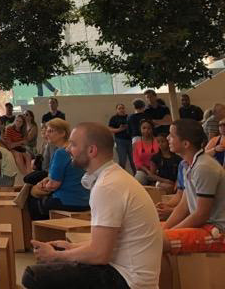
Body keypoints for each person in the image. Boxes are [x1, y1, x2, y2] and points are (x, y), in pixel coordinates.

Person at [23, 122, 163, 289]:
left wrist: (56, 256)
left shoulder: (107, 186)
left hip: (129, 280)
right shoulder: (112, 176)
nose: (68, 149)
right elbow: (105, 245)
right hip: (126, 271)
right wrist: (70, 247)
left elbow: (100, 254)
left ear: (92, 150)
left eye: (73, 144)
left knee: (34, 276)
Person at [162, 119, 225, 254]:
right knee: (152, 231)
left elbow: (201, 214)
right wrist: (164, 229)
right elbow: (184, 206)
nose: (167, 138)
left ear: (186, 143)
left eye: (172, 135)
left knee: (158, 242)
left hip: (217, 230)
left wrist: (168, 233)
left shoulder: (204, 167)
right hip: (203, 225)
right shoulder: (188, 165)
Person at [24, 117, 90, 221]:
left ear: (62, 133)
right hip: (85, 200)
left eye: (51, 131)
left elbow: (54, 185)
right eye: (47, 131)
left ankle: (41, 232)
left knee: (31, 199)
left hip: (69, 200)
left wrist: (39, 187)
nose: (47, 134)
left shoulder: (61, 152)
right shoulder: (76, 149)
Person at [108, 103, 133, 172]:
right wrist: (119, 129)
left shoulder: (129, 117)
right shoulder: (114, 118)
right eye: (119, 108)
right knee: (122, 160)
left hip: (131, 141)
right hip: (120, 141)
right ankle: (121, 176)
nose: (121, 110)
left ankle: (136, 176)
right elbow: (110, 129)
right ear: (116, 110)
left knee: (133, 160)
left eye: (123, 108)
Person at [133, 120, 159, 185]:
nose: (146, 130)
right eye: (144, 128)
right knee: (137, 181)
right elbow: (137, 162)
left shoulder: (158, 141)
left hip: (158, 170)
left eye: (149, 128)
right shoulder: (136, 144)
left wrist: (153, 172)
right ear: (140, 129)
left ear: (152, 129)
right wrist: (148, 171)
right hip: (143, 170)